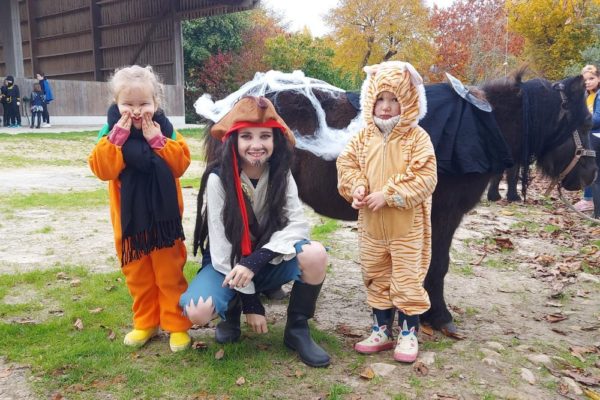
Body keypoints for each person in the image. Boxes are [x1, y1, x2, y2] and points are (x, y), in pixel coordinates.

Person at [179, 96, 330, 368]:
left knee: (315, 254)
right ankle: (232, 311)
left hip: (264, 260)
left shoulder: (281, 174)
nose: (257, 145)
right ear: (234, 140)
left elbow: (298, 225)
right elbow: (223, 250)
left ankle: (297, 329)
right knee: (198, 312)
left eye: (265, 136)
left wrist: (257, 259)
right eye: (247, 136)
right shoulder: (217, 179)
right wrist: (251, 303)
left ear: (275, 141)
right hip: (227, 266)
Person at [336, 61, 437, 363]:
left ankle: (408, 332)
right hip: (372, 227)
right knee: (375, 274)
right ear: (371, 100)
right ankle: (381, 328)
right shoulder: (362, 137)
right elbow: (347, 165)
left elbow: (426, 177)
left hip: (406, 226)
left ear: (408, 101)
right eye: (380, 99)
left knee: (406, 277)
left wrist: (390, 195)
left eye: (394, 100)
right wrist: (355, 187)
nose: (386, 106)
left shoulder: (417, 138)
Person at [88, 65, 192, 353]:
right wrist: (115, 141)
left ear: (156, 103)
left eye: (144, 104)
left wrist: (158, 142)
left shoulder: (168, 130)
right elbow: (103, 170)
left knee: (169, 272)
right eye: (128, 104)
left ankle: (176, 324)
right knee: (138, 274)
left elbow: (181, 165)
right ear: (116, 104)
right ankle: (145, 322)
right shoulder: (109, 132)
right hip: (129, 222)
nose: (136, 111)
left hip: (164, 222)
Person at [574, 64, 600, 217]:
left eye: (592, 78)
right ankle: (589, 199)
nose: (588, 82)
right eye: (585, 80)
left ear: (599, 78)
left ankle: (594, 209)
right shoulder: (588, 95)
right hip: (591, 135)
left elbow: (597, 119)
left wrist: (581, 121)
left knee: (594, 174)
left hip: (596, 137)